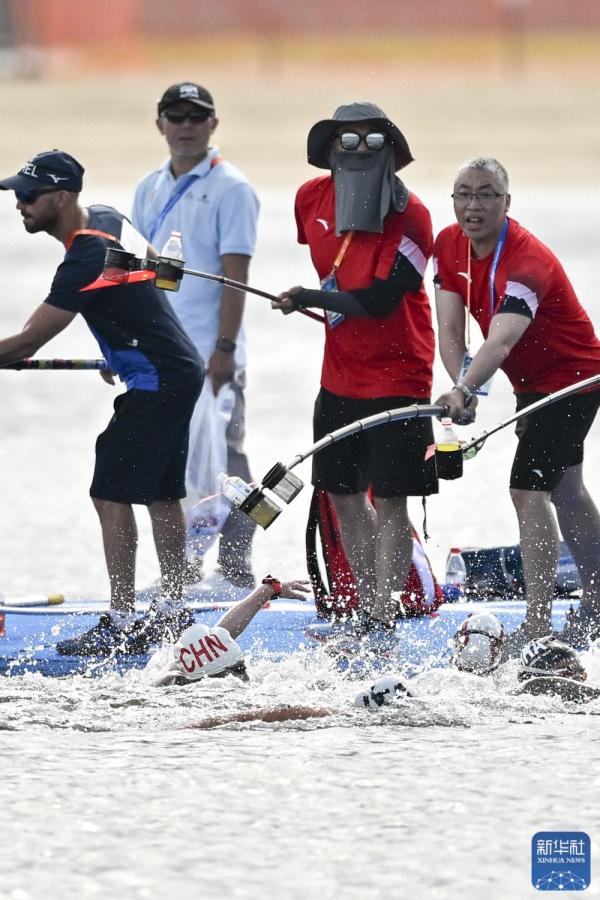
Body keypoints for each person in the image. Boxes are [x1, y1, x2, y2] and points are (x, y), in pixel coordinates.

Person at [0, 150, 204, 655]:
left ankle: (121, 621)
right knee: (160, 493)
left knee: (109, 492)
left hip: (159, 379)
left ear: (60, 198)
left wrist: (131, 347)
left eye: (27, 197)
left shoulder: (84, 258)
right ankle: (173, 612)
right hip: (177, 368)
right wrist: (121, 346)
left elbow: (27, 343)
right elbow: (150, 275)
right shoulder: (110, 218)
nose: (18, 205)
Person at [271, 102, 438, 635]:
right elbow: (331, 268)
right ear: (328, 151)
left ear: (390, 150)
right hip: (338, 373)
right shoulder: (308, 200)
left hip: (401, 374)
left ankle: (383, 613)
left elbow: (387, 299)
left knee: (391, 498)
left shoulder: (412, 215)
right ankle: (365, 605)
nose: (359, 151)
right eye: (347, 141)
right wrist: (312, 298)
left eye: (371, 141)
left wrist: (311, 297)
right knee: (342, 494)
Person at [433, 157, 600, 654]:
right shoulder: (448, 244)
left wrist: (466, 390)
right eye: (464, 194)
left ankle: (539, 621)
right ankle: (596, 600)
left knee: (527, 491)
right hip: (530, 386)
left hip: (574, 380)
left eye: (486, 194)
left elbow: (500, 343)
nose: (473, 205)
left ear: (507, 202)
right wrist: (462, 387)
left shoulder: (527, 260)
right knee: (566, 488)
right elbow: (450, 330)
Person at [132, 82, 260, 589]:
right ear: (160, 123)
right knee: (169, 463)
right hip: (164, 352)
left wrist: (224, 350)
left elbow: (236, 275)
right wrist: (128, 345)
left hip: (213, 355)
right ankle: (180, 571)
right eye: (176, 116)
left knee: (229, 461)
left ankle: (234, 568)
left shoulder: (233, 188)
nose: (186, 126)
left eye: (196, 117)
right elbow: (140, 275)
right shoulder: (149, 187)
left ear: (213, 125)